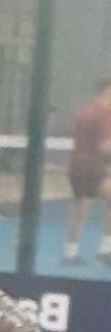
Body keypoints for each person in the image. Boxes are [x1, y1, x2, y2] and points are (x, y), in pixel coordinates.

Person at [62, 76, 111, 266]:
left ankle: (70, 252)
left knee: (79, 208)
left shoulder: (84, 113)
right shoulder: (103, 115)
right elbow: (106, 146)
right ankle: (105, 250)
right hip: (93, 167)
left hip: (76, 166)